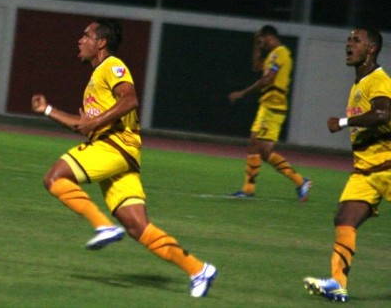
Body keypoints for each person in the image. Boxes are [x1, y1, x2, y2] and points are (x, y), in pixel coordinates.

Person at [31, 19, 217, 298]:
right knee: (137, 227)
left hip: (114, 147)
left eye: (86, 36)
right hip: (116, 154)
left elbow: (129, 99)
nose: (79, 41)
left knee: (54, 178)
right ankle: (198, 269)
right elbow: (83, 126)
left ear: (101, 43)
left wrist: (96, 123)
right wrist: (47, 110)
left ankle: (102, 224)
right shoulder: (95, 78)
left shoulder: (112, 66)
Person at [303, 27, 391, 303]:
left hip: (387, 168)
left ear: (372, 49)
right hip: (365, 173)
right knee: (344, 218)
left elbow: (383, 113)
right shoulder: (358, 84)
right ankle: (337, 285)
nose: (348, 44)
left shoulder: (378, 80)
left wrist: (342, 122)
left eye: (356, 40)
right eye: (348, 39)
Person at [228, 25, 311, 200]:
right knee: (256, 146)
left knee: (261, 148)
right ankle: (250, 188)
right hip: (266, 105)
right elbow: (256, 66)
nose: (262, 43)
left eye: (262, 39)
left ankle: (298, 181)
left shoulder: (280, 53)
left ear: (270, 36)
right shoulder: (271, 56)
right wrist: (257, 47)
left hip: (274, 106)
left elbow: (267, 79)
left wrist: (242, 93)